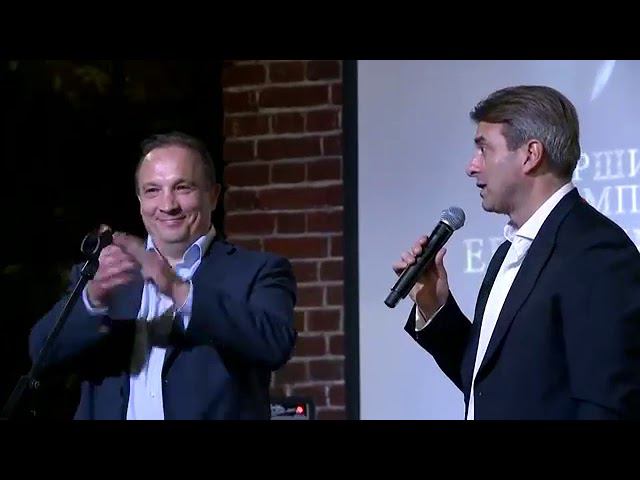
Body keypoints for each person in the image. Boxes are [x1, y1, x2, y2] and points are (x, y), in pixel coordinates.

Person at [393, 85, 640, 420]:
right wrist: (435, 306)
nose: (471, 167)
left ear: (530, 155)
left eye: (484, 149)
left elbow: (607, 403)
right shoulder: (509, 251)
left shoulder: (596, 251)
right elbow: (488, 385)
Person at [29, 131, 297, 419]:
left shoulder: (258, 271)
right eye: (152, 191)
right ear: (139, 200)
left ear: (213, 196)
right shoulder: (106, 271)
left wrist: (174, 287)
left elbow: (275, 344)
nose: (168, 205)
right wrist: (92, 299)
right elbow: (41, 355)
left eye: (182, 188)